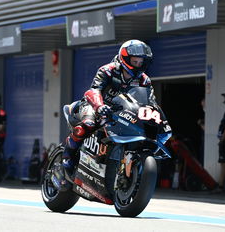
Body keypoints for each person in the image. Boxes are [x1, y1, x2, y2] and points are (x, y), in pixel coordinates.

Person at [60, 40, 172, 187]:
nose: (139, 64)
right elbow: (94, 90)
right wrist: (99, 106)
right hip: (95, 105)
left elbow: (150, 102)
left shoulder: (144, 80)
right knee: (87, 124)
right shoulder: (108, 70)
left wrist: (158, 121)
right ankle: (67, 157)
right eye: (135, 61)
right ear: (125, 58)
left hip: (121, 112)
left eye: (141, 62)